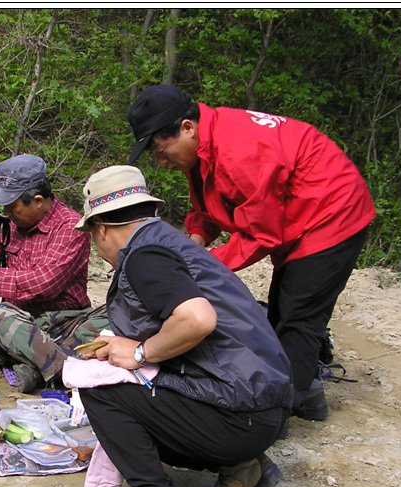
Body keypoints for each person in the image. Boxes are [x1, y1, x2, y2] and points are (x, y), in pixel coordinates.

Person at [126, 85, 376, 422]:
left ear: (186, 127)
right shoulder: (203, 146)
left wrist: (202, 265)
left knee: (297, 316)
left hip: (332, 212)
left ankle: (279, 411)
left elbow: (263, 234)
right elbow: (206, 209)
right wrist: (193, 243)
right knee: (283, 310)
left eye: (159, 150)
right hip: (298, 214)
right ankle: (308, 387)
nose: (159, 160)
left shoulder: (240, 151)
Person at [74, 166, 293, 487]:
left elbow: (197, 318)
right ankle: (244, 468)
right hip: (263, 409)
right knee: (137, 385)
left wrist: (140, 353)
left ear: (102, 229)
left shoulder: (145, 257)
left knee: (100, 387)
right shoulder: (170, 242)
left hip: (239, 415)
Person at [0, 154, 110, 393]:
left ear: (37, 201)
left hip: (68, 322)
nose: (7, 213)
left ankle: (45, 368)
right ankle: (64, 369)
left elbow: (43, 282)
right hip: (20, 324)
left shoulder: (71, 227)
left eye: (12, 206)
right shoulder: (16, 224)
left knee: (116, 311)